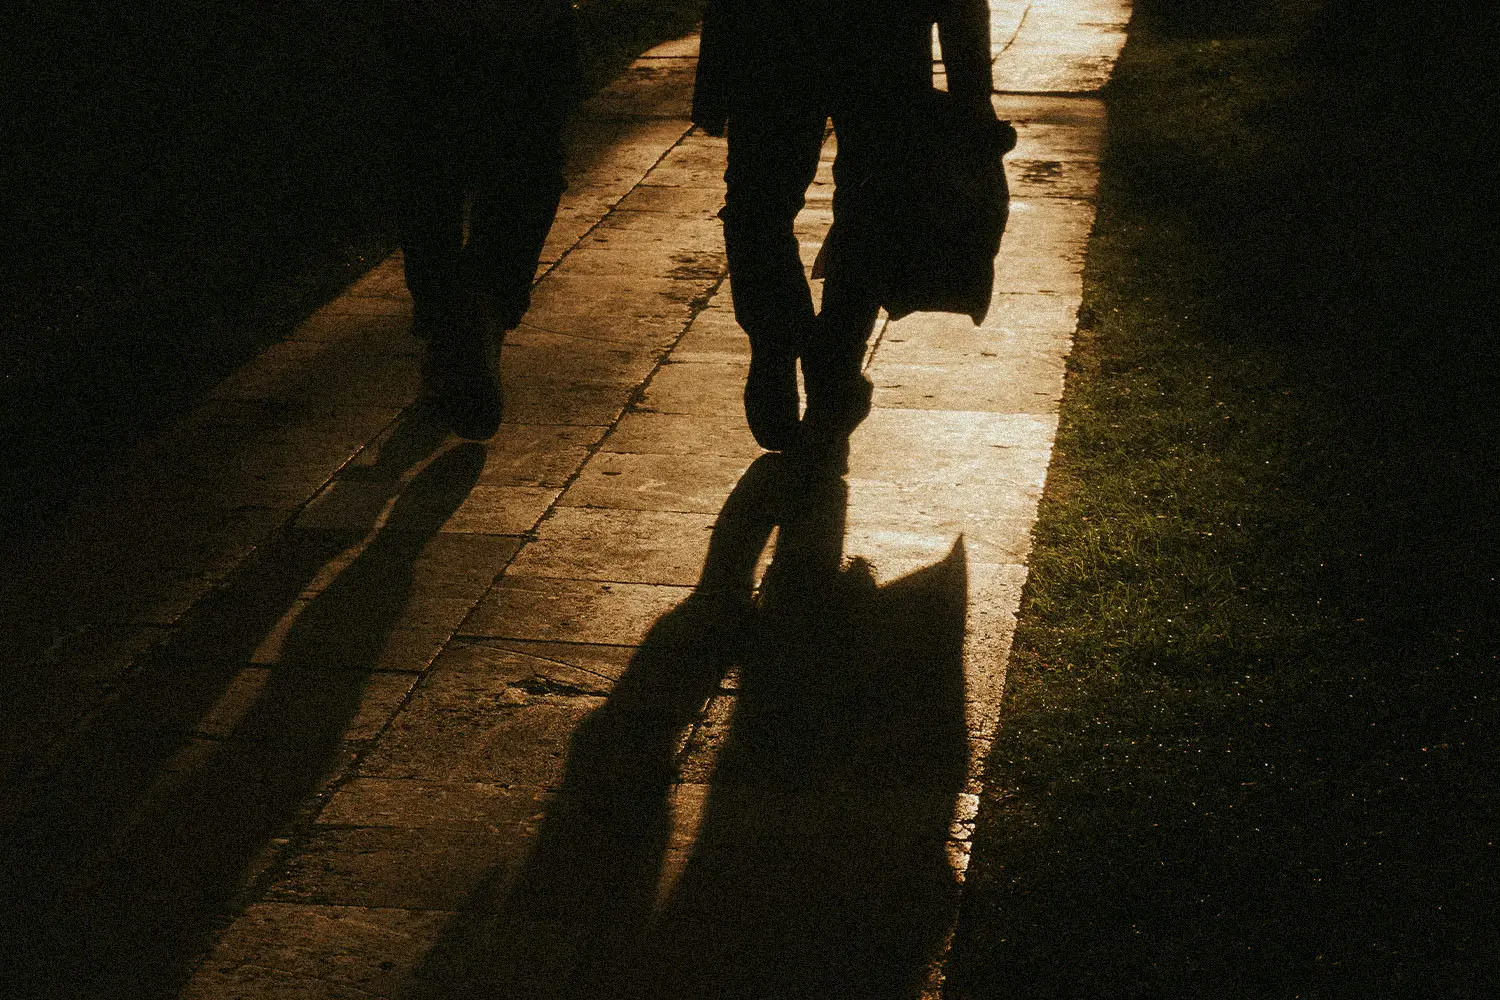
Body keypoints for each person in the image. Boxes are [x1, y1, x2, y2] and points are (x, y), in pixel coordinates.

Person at [692, 0, 997, 459]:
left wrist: (718, 72)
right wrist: (972, 93)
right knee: (870, 204)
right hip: (879, 31)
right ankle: (833, 355)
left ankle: (780, 340)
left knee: (761, 205)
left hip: (774, 32)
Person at [381, 0, 581, 440]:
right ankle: (483, 304)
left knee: (429, 183)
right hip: (528, 33)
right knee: (522, 178)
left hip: (428, 34)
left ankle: (443, 326)